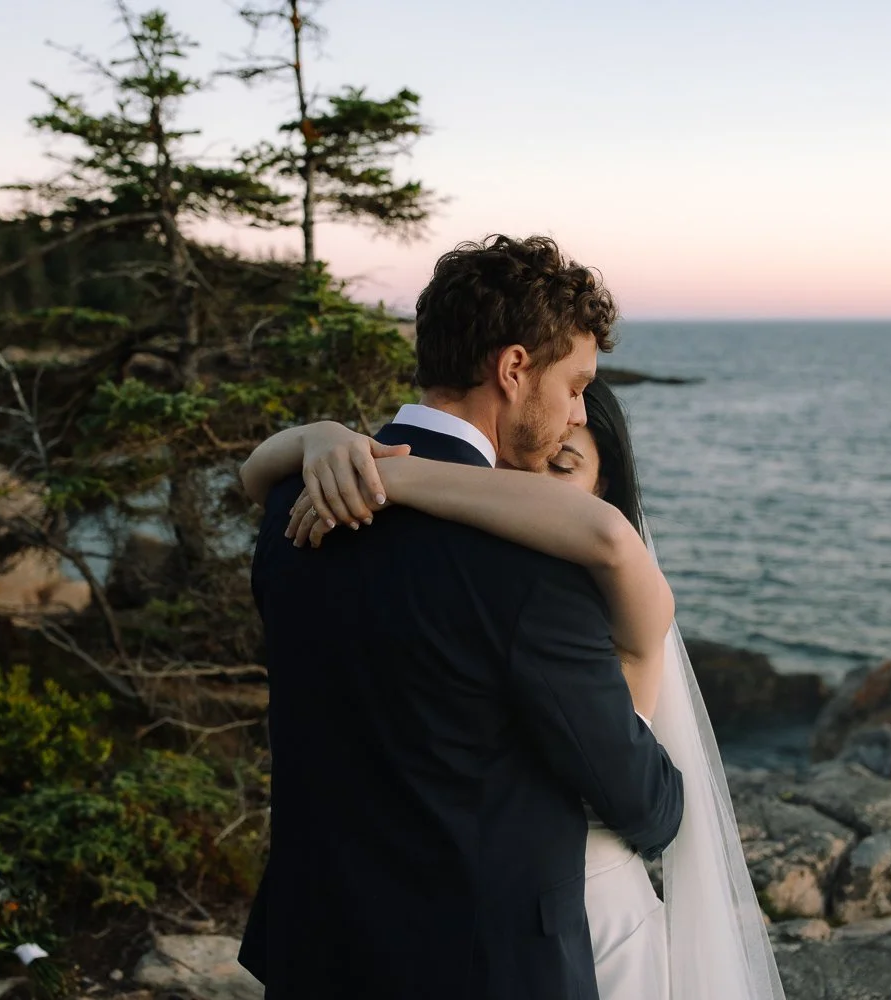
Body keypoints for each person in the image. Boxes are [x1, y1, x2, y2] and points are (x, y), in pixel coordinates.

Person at [237, 235, 685, 1000]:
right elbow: (644, 804)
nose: (578, 410)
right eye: (575, 385)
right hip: (480, 970)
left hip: (316, 950)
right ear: (513, 369)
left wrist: (312, 436)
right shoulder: (531, 567)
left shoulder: (295, 502)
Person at [245, 379, 787, 1000]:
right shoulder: (501, 570)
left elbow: (645, 801)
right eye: (517, 466)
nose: (515, 488)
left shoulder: (609, 594)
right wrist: (325, 439)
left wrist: (381, 469)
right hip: (478, 930)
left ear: (602, 489)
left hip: (575, 918)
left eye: (563, 466)